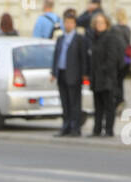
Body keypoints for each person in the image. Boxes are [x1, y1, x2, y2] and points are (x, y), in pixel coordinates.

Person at [50, 8, 88, 138]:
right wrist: (53, 72)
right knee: (65, 102)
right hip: (61, 73)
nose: (68, 25)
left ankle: (75, 127)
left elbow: (84, 58)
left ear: (75, 24)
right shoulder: (60, 38)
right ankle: (65, 126)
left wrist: (84, 74)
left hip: (74, 75)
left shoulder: (79, 39)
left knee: (74, 103)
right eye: (66, 22)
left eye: (71, 22)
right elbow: (56, 56)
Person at [88, 12, 125, 137]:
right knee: (97, 105)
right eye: (97, 22)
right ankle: (96, 129)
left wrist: (103, 71)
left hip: (107, 78)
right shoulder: (94, 37)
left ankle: (109, 130)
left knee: (109, 105)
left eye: (102, 22)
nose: (99, 25)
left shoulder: (111, 37)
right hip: (96, 77)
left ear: (106, 24)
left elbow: (112, 59)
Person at [112, 7, 131, 110]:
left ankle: (119, 101)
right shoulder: (128, 28)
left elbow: (117, 46)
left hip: (119, 59)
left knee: (116, 81)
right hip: (127, 59)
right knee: (120, 81)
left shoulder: (115, 29)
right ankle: (120, 101)